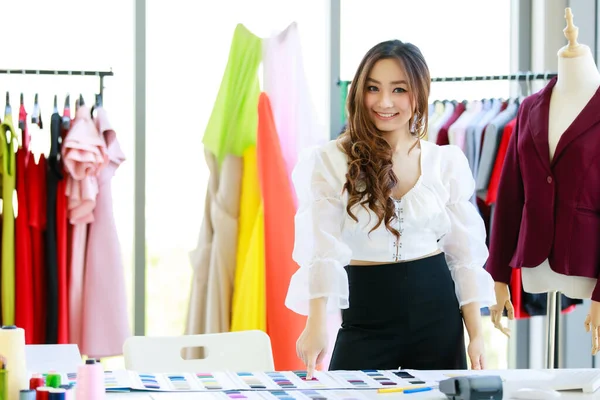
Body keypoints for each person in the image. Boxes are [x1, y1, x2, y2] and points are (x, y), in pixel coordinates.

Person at [284, 39, 496, 376]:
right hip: (366, 315)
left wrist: (476, 335)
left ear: (420, 93)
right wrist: (316, 324)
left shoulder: (446, 162)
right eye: (373, 88)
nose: (384, 102)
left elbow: (463, 255)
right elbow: (321, 250)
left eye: (399, 89)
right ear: (359, 93)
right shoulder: (328, 161)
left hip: (437, 315)